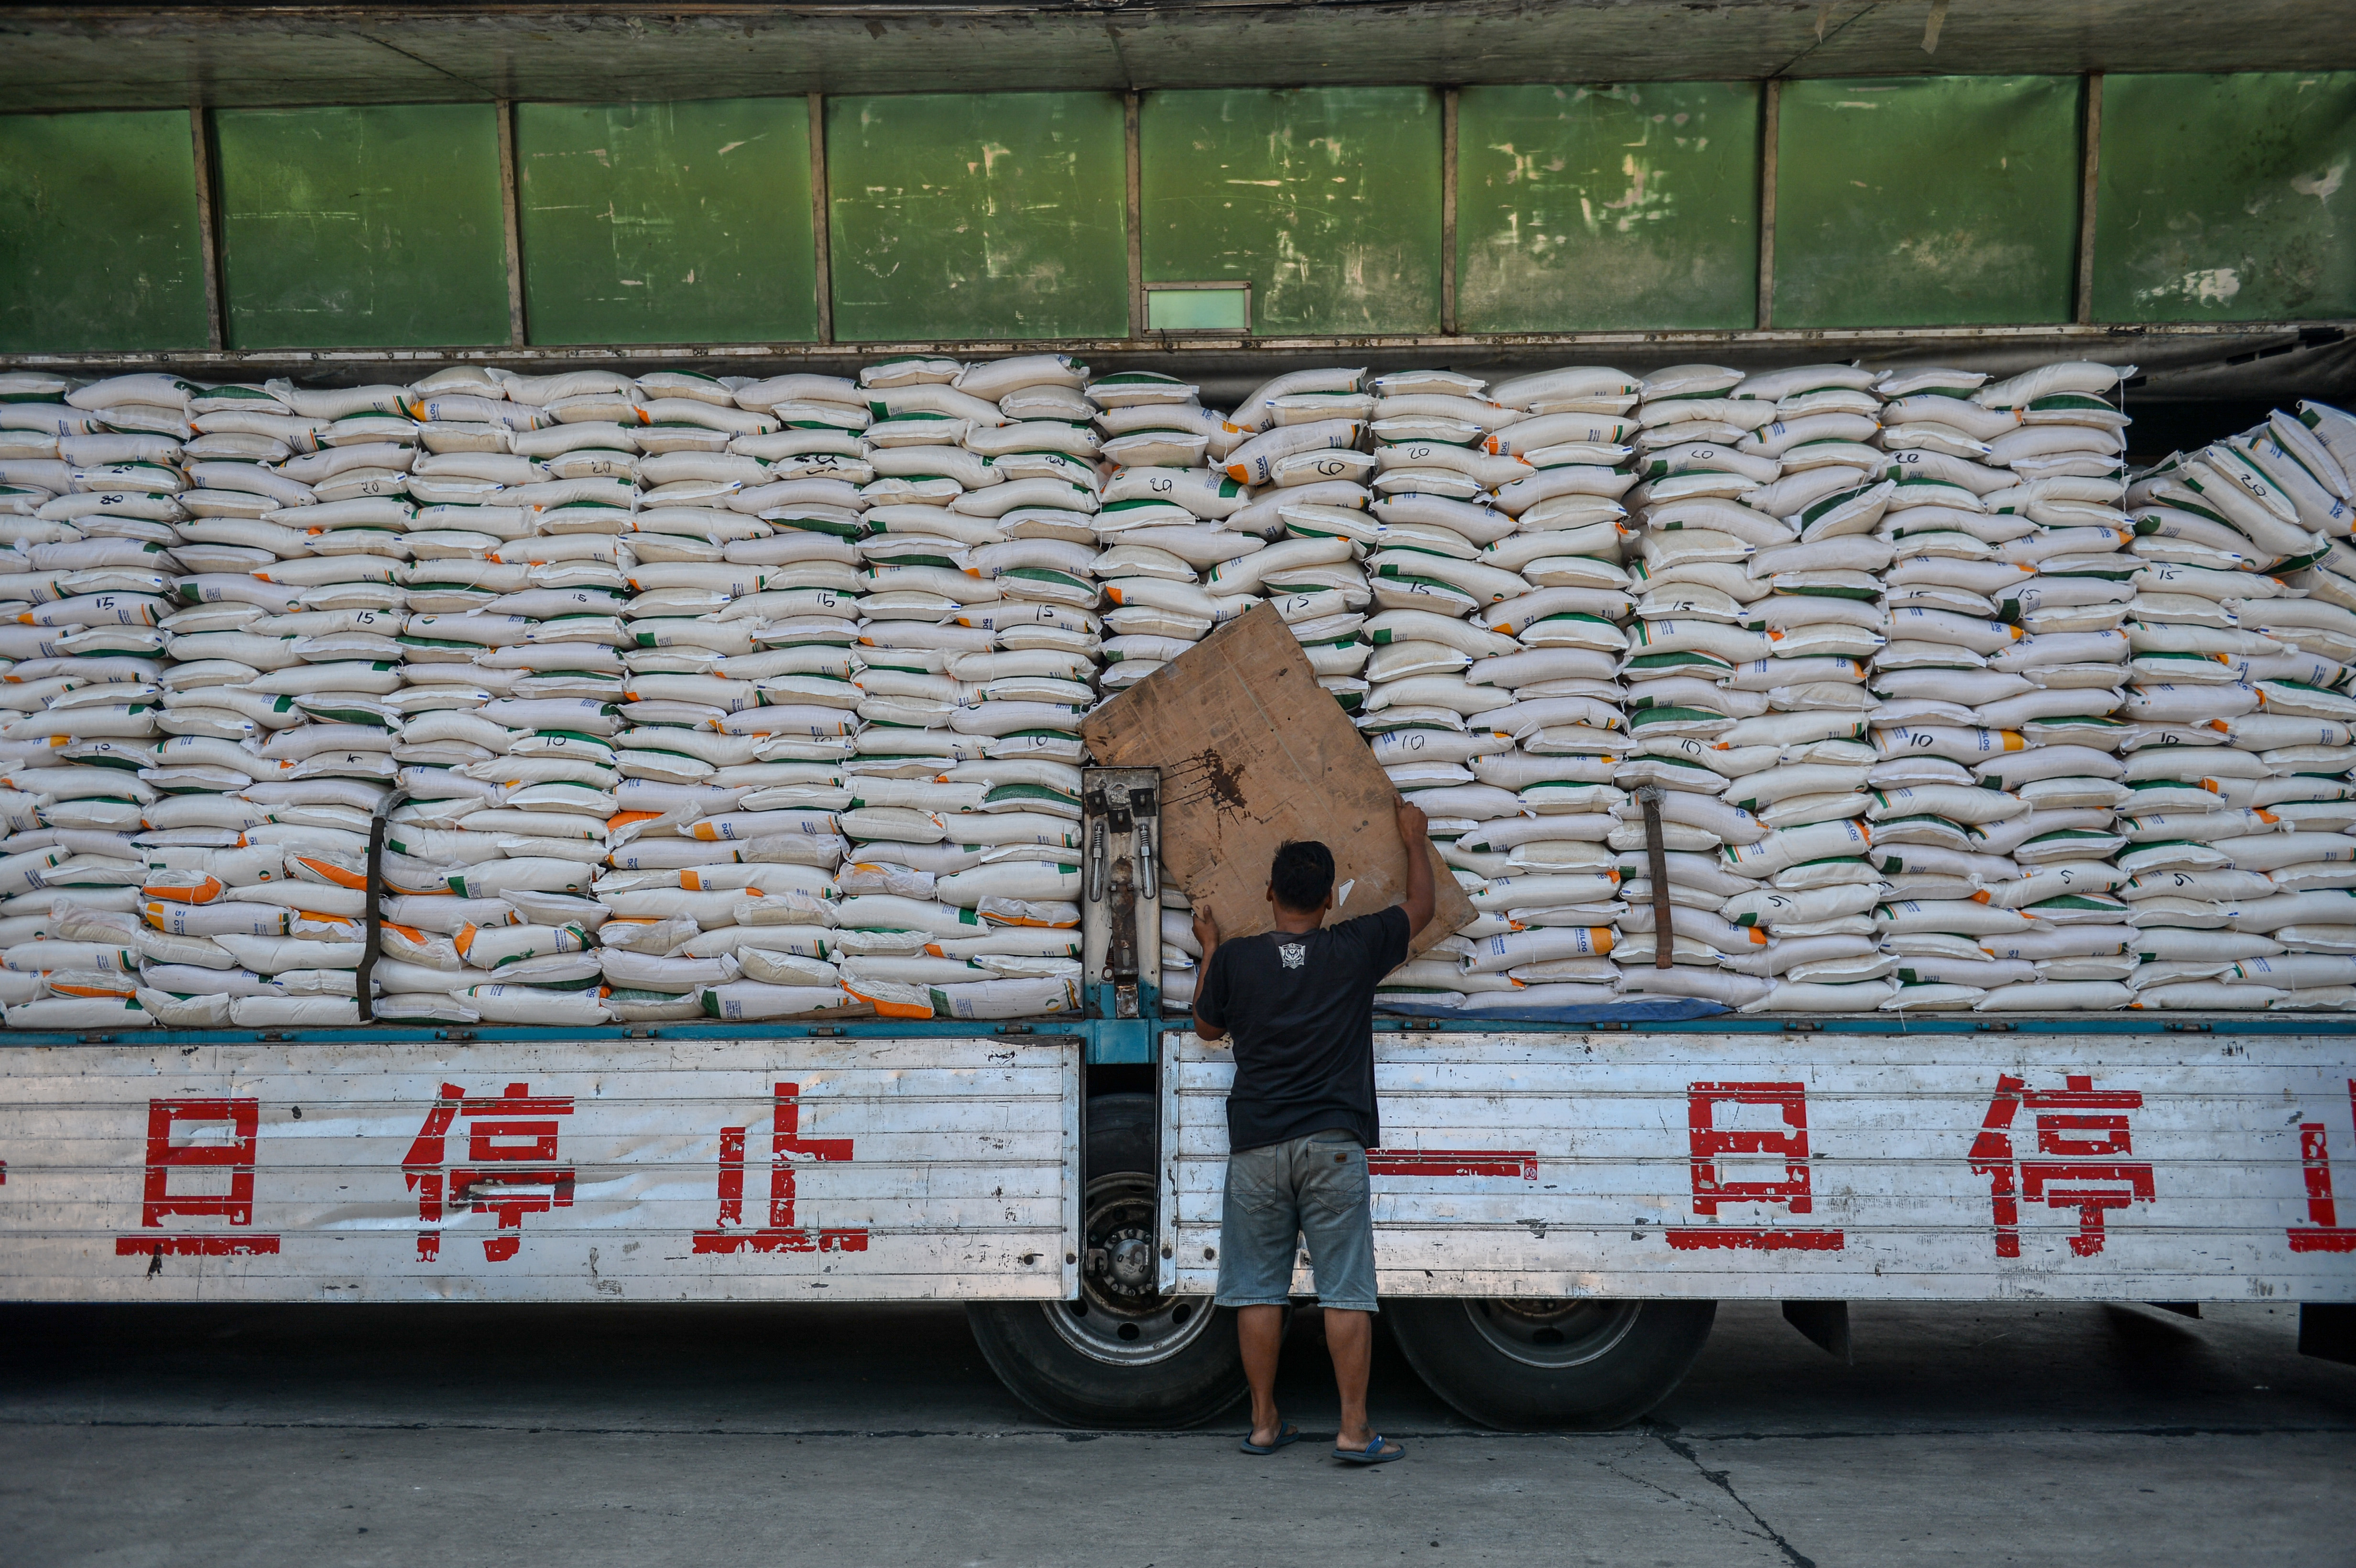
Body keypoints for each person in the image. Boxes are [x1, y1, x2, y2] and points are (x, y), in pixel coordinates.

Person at [1188, 798, 1435, 1466]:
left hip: (1257, 1147)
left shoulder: (1237, 960)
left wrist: (1209, 949)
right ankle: (1353, 1430)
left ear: (1269, 893)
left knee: (1257, 1289)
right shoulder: (1355, 948)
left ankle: (1264, 1424)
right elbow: (1421, 908)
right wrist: (1414, 839)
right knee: (1346, 1291)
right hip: (1332, 1145)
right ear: (1330, 898)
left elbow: (1206, 1027)